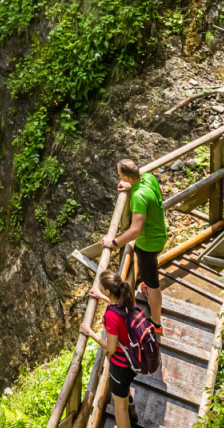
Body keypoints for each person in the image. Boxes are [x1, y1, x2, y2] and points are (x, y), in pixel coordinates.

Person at [98, 157, 165, 333]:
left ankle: (156, 323)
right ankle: (146, 288)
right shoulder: (149, 178)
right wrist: (131, 187)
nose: (119, 177)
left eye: (120, 175)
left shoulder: (138, 197)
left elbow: (135, 230)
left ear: (127, 177)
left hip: (148, 244)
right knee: (147, 271)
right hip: (158, 236)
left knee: (153, 284)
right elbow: (143, 191)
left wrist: (114, 242)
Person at [79, 270, 140, 428]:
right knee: (123, 397)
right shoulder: (129, 299)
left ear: (108, 290)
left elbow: (111, 348)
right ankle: (131, 410)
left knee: (120, 408)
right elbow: (117, 306)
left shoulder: (111, 316)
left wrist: (91, 333)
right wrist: (101, 296)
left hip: (121, 366)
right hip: (134, 358)